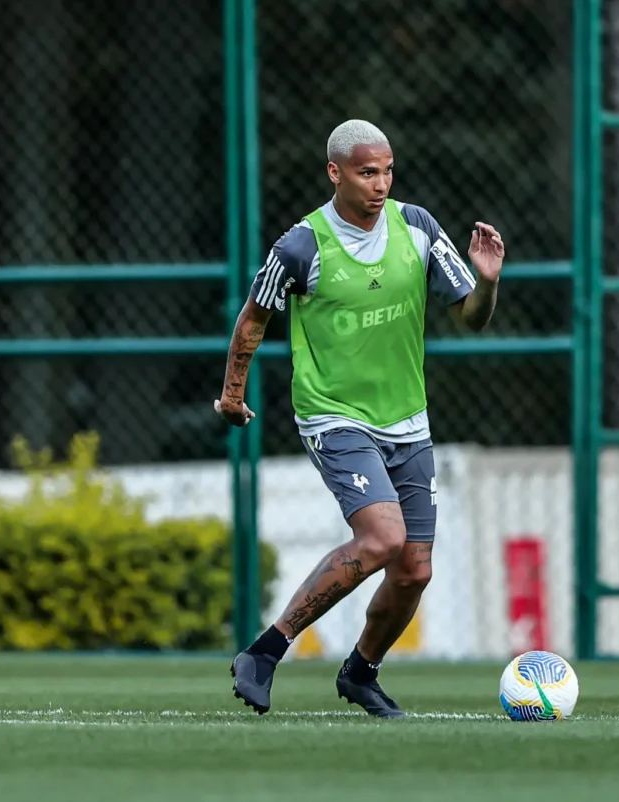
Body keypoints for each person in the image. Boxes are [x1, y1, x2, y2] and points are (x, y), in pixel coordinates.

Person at [214, 119, 505, 718]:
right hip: (333, 416)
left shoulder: (418, 227)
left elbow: (472, 316)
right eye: (367, 172)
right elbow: (252, 319)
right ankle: (265, 652)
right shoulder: (301, 246)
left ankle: (360, 673)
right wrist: (232, 395)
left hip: (407, 421)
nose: (380, 184)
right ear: (335, 173)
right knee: (383, 538)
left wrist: (488, 283)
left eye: (387, 171)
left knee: (414, 570)